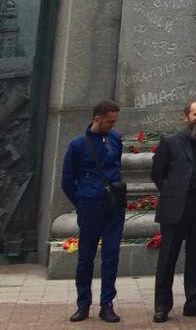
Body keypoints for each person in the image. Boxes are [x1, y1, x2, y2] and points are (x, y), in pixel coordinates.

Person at [152, 99, 196, 322]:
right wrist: (173, 193)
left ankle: (193, 301)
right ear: (186, 117)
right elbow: (157, 174)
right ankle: (162, 305)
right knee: (168, 258)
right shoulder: (170, 142)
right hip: (176, 206)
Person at [62, 99, 125, 324]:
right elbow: (67, 181)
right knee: (86, 257)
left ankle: (106, 304)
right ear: (96, 119)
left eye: (114, 121)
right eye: (110, 121)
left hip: (114, 206)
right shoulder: (77, 145)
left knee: (111, 256)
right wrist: (82, 199)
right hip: (90, 206)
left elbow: (116, 165)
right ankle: (83, 304)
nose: (113, 125)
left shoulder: (116, 138)